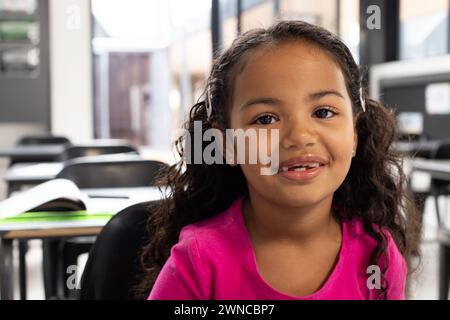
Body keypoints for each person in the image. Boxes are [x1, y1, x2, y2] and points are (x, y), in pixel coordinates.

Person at [138, 20, 421, 300]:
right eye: (265, 119)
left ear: (355, 134)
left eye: (323, 112)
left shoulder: (378, 256)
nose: (299, 136)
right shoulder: (199, 261)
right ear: (227, 145)